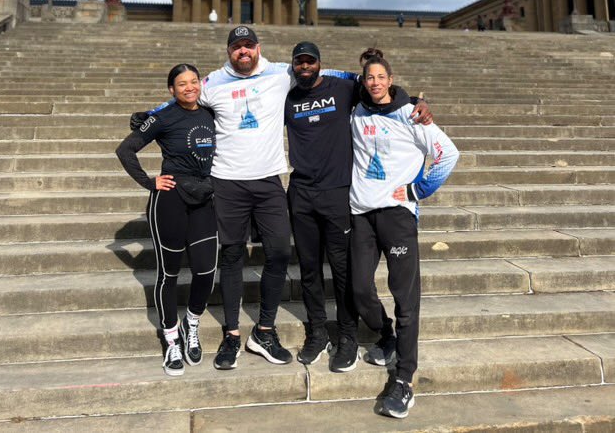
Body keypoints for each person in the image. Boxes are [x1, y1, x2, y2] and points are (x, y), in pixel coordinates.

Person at [133, 26, 359, 371]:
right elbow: (183, 97)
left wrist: (401, 95)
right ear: (228, 51)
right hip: (227, 183)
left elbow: (333, 74)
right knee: (233, 256)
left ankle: (264, 331)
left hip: (269, 181)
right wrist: (151, 115)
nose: (243, 51)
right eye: (237, 46)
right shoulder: (211, 82)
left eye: (248, 45)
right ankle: (233, 334)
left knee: (281, 252)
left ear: (258, 47)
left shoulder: (281, 72)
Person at [285, 43, 432, 374]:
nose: (305, 66)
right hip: (301, 193)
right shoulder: (287, 94)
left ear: (320, 63)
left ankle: (348, 337)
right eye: (300, 62)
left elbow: (380, 87)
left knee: (343, 272)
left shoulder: (343, 86)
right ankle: (318, 332)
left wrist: (414, 101)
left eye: (311, 61)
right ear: (293, 65)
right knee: (308, 270)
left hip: (338, 194)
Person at [349, 50, 459, 420]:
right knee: (360, 288)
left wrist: (418, 190)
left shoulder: (411, 114)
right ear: (363, 81)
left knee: (405, 298)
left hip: (397, 214)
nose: (375, 82)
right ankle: (388, 337)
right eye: (369, 77)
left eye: (381, 77)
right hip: (362, 213)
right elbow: (329, 74)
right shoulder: (356, 111)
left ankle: (405, 379)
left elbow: (448, 154)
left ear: (391, 80)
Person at [116, 64, 217, 376]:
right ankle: (171, 339)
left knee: (206, 271)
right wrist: (150, 183)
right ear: (171, 90)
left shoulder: (210, 113)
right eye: (181, 84)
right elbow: (126, 150)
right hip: (170, 200)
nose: (189, 88)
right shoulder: (162, 118)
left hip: (203, 199)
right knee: (168, 274)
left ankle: (192, 323)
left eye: (193, 82)